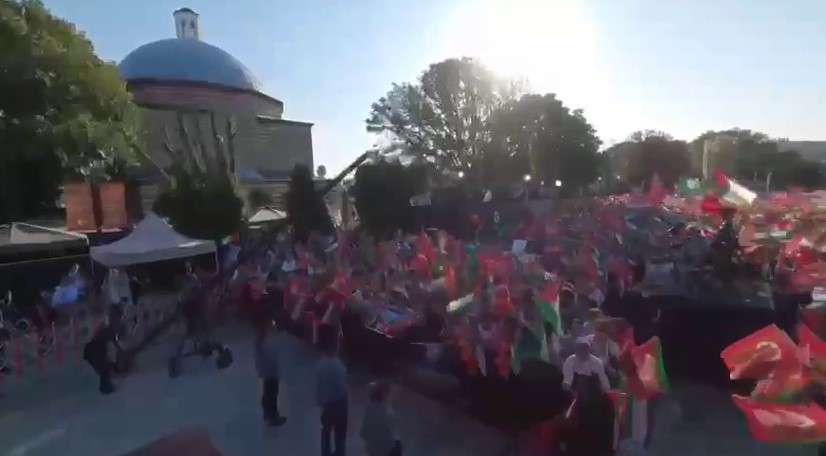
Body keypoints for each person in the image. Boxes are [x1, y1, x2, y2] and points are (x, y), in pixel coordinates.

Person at [316, 324, 349, 456]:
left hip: (326, 404)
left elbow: (318, 386)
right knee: (340, 432)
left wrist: (320, 402)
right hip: (339, 404)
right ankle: (339, 452)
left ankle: (325, 452)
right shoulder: (336, 364)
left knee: (325, 430)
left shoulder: (322, 363)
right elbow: (342, 387)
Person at [83, 306, 124, 395]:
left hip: (95, 350)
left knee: (105, 366)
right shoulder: (108, 329)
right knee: (105, 366)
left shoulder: (111, 328)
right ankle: (105, 387)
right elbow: (112, 343)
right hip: (92, 351)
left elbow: (113, 343)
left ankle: (106, 386)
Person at [256, 319, 287, 427]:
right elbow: (272, 354)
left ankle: (269, 414)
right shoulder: (265, 342)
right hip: (270, 371)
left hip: (268, 370)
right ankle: (272, 415)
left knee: (269, 392)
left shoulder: (262, 341)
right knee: (272, 393)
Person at [360, 380, 402, 456]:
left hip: (372, 449)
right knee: (398, 445)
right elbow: (394, 435)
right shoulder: (388, 411)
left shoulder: (369, 408)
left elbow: (363, 432)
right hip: (386, 450)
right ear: (385, 395)